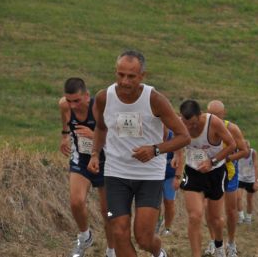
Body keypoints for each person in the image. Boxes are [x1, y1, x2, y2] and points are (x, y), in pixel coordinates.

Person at [87, 50, 190, 257]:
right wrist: (95, 154)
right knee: (118, 232)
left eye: (131, 76)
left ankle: (158, 252)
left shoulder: (155, 99)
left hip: (149, 174)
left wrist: (155, 150)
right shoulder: (103, 97)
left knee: (143, 238)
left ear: (142, 76)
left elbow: (183, 136)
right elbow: (100, 128)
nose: (124, 81)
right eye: (120, 74)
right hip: (116, 172)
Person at [58, 77, 115, 257]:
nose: (73, 105)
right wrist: (65, 136)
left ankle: (111, 251)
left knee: (107, 211)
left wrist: (94, 135)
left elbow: (116, 138)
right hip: (81, 160)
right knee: (76, 201)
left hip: (107, 161)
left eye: (77, 100)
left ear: (87, 96)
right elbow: (66, 122)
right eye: (69, 100)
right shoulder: (64, 105)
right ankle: (85, 236)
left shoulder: (99, 109)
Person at [178, 99, 236, 257]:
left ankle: (219, 246)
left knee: (215, 219)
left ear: (200, 115)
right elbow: (175, 141)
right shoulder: (179, 123)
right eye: (186, 123)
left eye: (194, 124)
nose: (190, 127)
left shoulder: (214, 123)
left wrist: (212, 161)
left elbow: (231, 145)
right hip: (193, 172)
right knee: (195, 215)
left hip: (215, 173)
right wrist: (176, 157)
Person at [204, 100, 249, 257]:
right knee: (209, 210)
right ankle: (213, 241)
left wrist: (227, 158)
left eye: (217, 115)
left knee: (230, 210)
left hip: (229, 172)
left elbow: (245, 151)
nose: (214, 118)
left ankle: (231, 243)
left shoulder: (232, 129)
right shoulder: (203, 127)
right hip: (209, 172)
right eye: (211, 114)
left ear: (224, 114)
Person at [156, 129, 184, 236]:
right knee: (155, 203)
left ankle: (167, 228)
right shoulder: (152, 134)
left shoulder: (173, 136)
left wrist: (177, 177)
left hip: (170, 176)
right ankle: (158, 221)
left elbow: (180, 156)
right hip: (155, 176)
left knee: (169, 202)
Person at [237, 141, 258, 225]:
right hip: (240, 177)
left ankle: (248, 218)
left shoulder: (253, 153)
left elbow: (256, 166)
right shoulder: (238, 153)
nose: (245, 150)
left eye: (247, 148)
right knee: (238, 197)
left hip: (250, 178)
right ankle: (241, 216)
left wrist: (256, 181)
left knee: (249, 199)